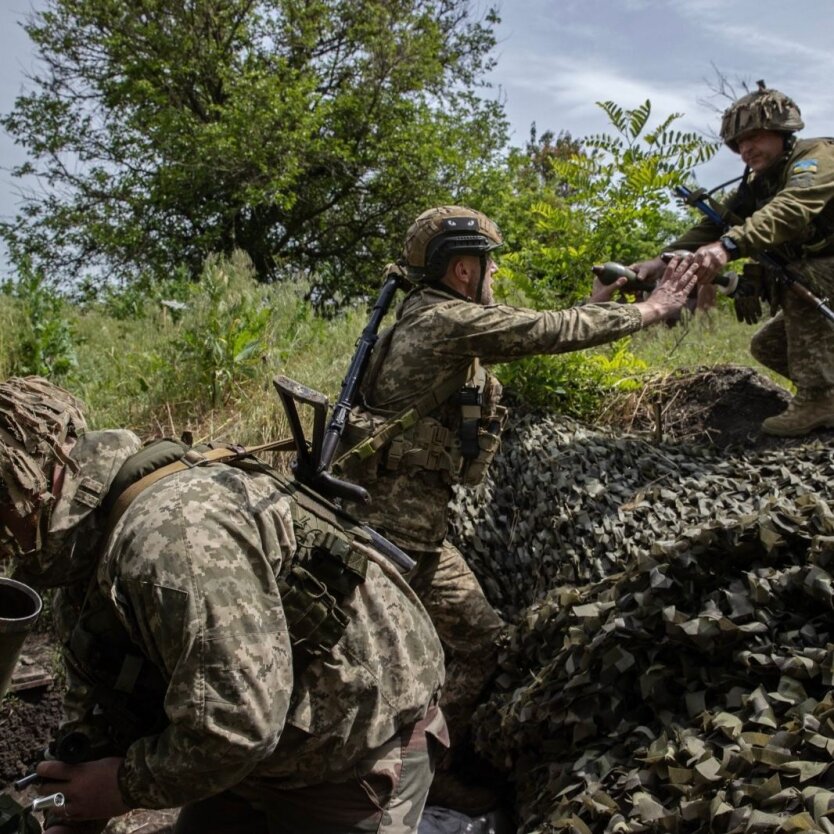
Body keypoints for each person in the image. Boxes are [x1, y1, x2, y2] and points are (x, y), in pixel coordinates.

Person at [332, 205, 700, 809]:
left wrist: (598, 301)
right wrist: (649, 310)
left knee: (480, 642)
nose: (495, 274)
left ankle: (428, 769)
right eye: (488, 263)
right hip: (386, 540)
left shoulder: (439, 318)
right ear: (461, 271)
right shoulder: (445, 322)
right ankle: (369, 785)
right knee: (379, 665)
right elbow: (544, 332)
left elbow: (530, 327)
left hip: (415, 535)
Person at [0, 375, 447, 834]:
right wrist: (74, 805)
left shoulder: (169, 545)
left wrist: (121, 785)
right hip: (252, 745)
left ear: (30, 479)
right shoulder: (81, 540)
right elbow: (98, 689)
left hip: (353, 746)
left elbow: (238, 727)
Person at [632, 81, 834, 437]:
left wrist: (728, 247)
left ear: (782, 132)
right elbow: (711, 227)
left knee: (803, 276)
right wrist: (658, 262)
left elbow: (789, 211)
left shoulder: (816, 158)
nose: (745, 150)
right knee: (768, 346)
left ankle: (818, 399)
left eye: (754, 137)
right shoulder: (757, 185)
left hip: (820, 274)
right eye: (739, 143)